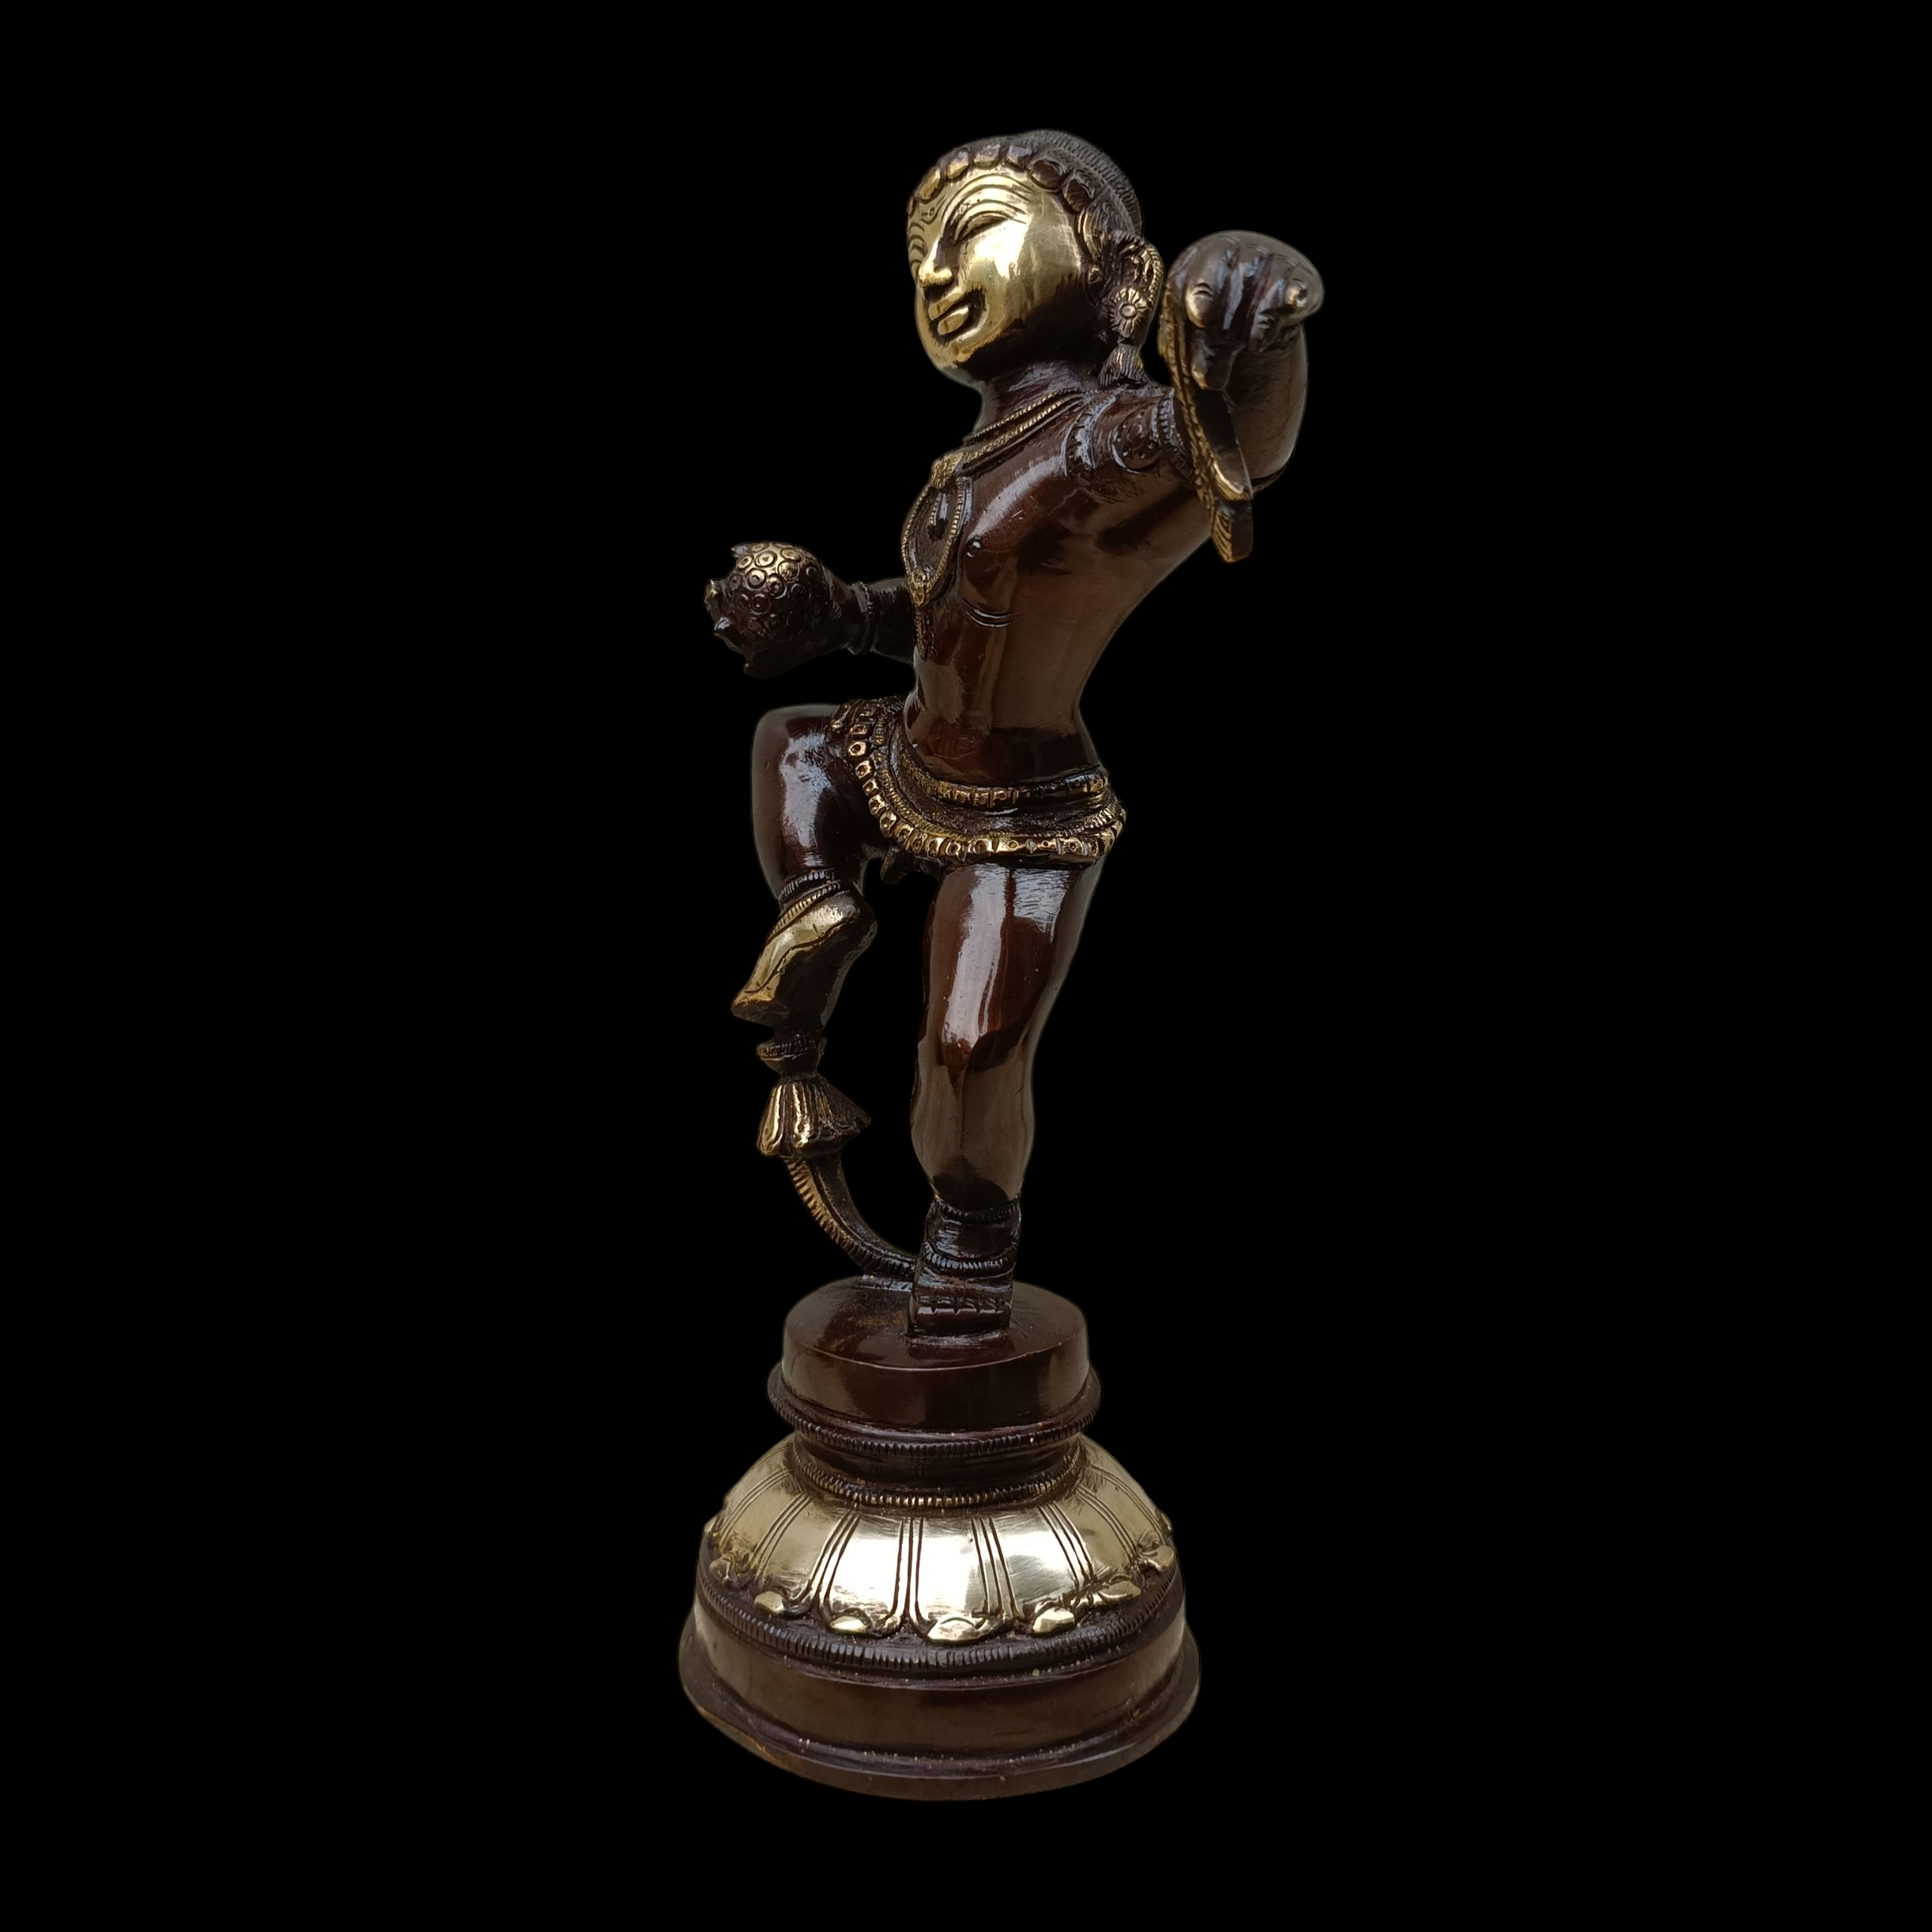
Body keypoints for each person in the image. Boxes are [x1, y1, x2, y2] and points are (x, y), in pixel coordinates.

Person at [704, 129, 1321, 1333]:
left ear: (1117, 275)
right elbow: (944, 621)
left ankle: (969, 1239)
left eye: (975, 228)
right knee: (796, 741)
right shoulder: (979, 455)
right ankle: (819, 902)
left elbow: (1238, 444)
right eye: (918, 257)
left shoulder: (1104, 440)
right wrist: (839, 612)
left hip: (1025, 812)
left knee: (969, 1055)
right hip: (911, 752)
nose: (937, 272)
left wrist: (1253, 323)